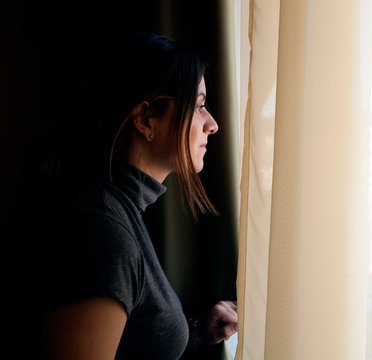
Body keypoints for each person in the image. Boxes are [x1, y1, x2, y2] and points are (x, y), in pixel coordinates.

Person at [28, 31, 238, 359]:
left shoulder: (113, 209)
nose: (212, 123)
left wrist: (195, 331)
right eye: (198, 107)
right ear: (145, 119)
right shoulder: (101, 229)